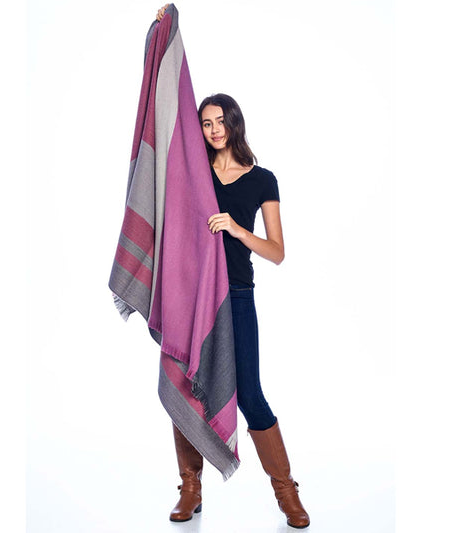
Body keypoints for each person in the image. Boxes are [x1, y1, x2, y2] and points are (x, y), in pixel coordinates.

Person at [157, 5, 310, 529]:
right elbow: (165, 114)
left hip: (237, 295)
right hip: (190, 292)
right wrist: (166, 32)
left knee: (250, 393)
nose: (214, 129)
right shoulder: (193, 173)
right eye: (206, 122)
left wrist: (237, 230)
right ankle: (191, 488)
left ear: (235, 123)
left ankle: (286, 491)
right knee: (185, 382)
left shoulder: (262, 178)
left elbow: (277, 251)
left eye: (221, 121)